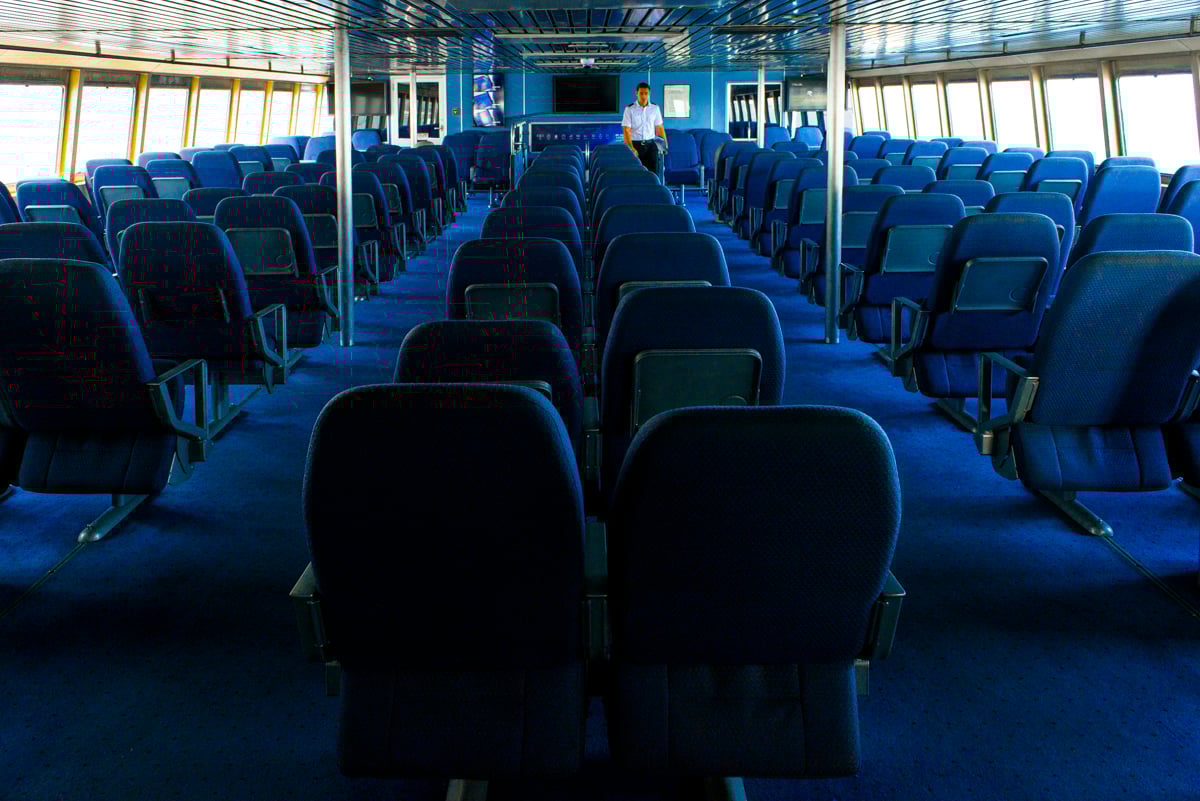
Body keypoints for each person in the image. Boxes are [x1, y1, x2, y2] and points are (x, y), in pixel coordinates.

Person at [622, 82, 665, 174]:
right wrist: (631, 148)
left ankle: (654, 188)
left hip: (651, 145)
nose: (644, 96)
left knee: (653, 173)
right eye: (641, 93)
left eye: (646, 93)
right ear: (636, 93)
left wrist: (664, 145)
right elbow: (626, 131)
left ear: (649, 94)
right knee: (636, 173)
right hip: (636, 145)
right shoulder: (629, 109)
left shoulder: (655, 108)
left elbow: (659, 127)